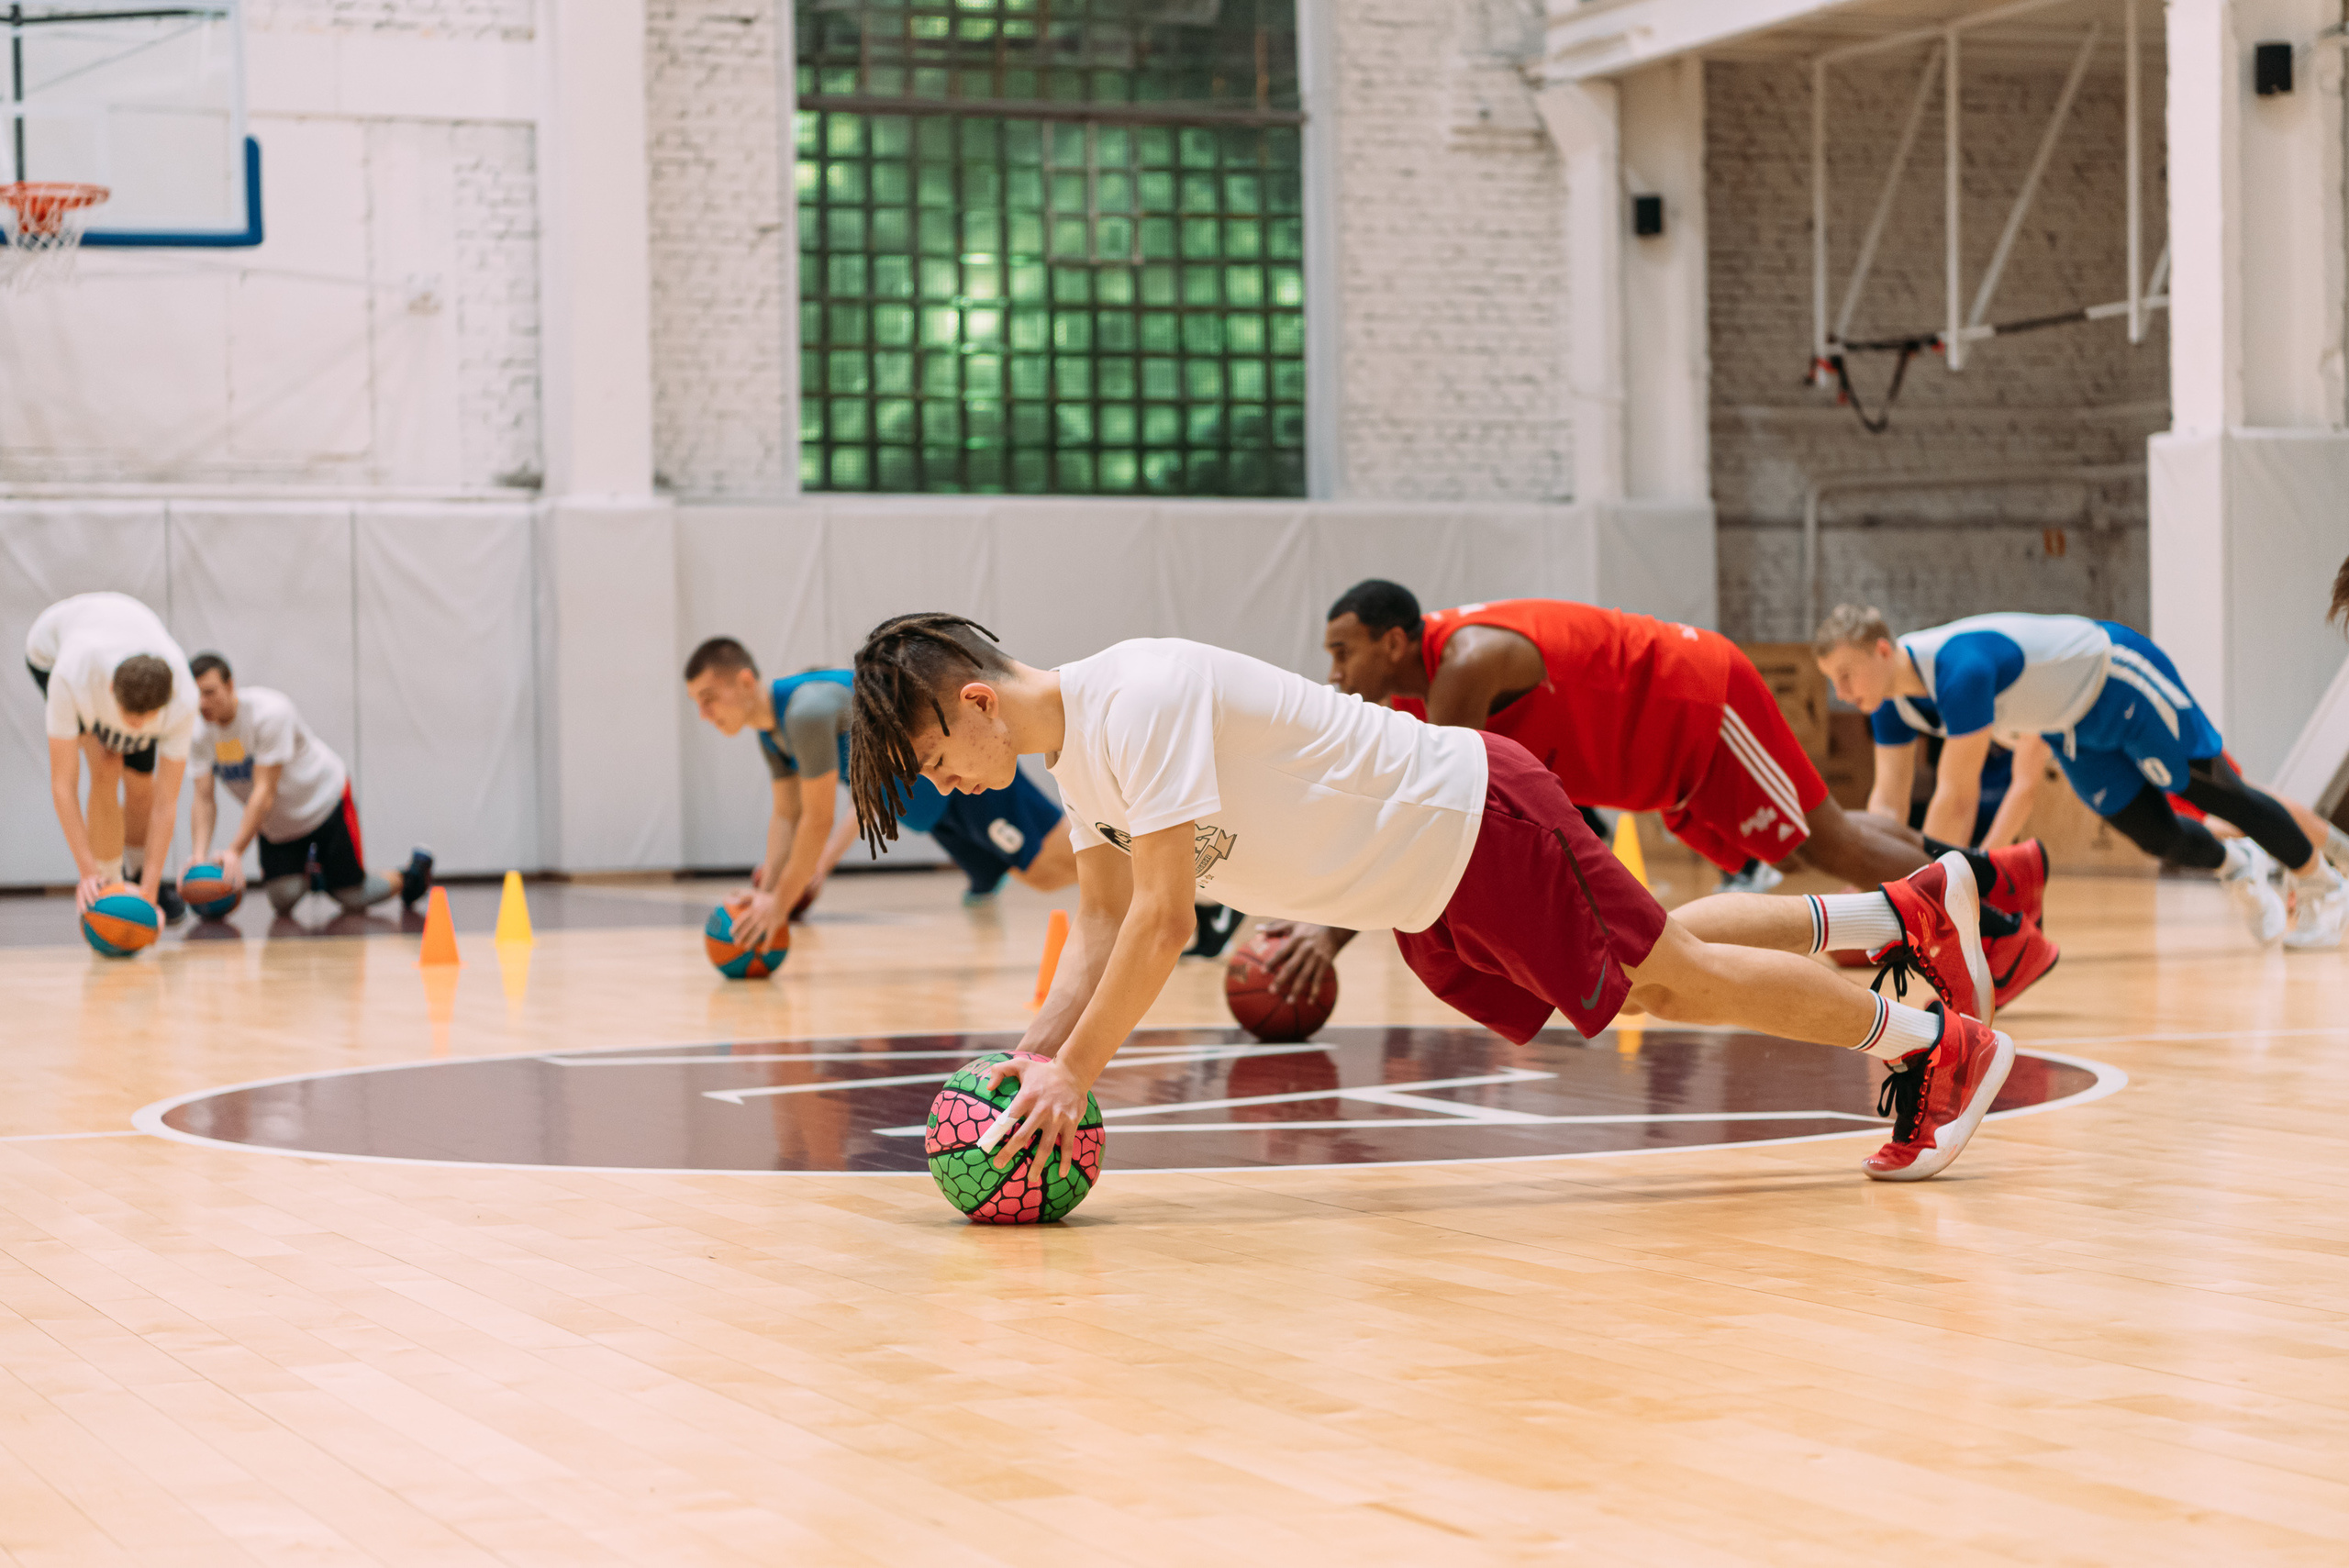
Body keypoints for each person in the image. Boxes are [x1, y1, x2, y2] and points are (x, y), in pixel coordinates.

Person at [846, 614, 2020, 1184]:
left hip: (1468, 820)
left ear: (972, 699)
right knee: (1651, 954)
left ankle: (1933, 1043)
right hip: (1426, 890)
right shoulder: (1078, 769)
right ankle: (1895, 918)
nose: (942, 783)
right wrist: (1030, 1050)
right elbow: (1102, 920)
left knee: (1666, 978)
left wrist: (1077, 1075)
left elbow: (1162, 924)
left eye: (932, 755)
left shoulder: (1132, 699)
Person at [1289, 582, 2054, 1008]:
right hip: (1664, 761)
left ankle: (1997, 932)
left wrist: (1327, 936)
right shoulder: (1418, 700)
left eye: (1342, 651)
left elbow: (1424, 823)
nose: (1333, 671)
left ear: (1392, 643)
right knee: (1821, 833)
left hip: (1695, 703)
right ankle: (1999, 879)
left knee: (1828, 842)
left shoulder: (1464, 664)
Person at [1816, 605, 2347, 951]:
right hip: (2069, 725)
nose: (1841, 692)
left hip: (2117, 677)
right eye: (1831, 682)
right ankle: (2237, 866)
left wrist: (1924, 900)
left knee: (2215, 793)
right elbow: (1886, 802)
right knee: (2155, 835)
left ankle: (2326, 883)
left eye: (1845, 675)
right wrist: (1874, 877)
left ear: (1882, 651)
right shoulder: (1889, 701)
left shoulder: (1959, 670)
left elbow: (1956, 798)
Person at [683, 637, 1074, 951]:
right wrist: (765, 893)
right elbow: (787, 815)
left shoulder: (804, 714)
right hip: (931, 812)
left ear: (746, 682)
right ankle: (993, 877)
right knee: (1039, 875)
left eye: (709, 698)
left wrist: (779, 906)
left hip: (959, 774)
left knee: (1048, 867)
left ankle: (1124, 864)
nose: (704, 713)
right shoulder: (772, 737)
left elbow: (816, 820)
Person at [187, 654, 428, 917]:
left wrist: (234, 852)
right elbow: (203, 799)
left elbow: (264, 792)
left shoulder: (269, 714)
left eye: (209, 693)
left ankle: (412, 874)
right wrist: (198, 857)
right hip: (278, 824)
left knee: (352, 896)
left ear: (231, 685)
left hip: (322, 803)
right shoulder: (197, 731)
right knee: (283, 899)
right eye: (196, 694)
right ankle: (317, 869)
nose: (203, 703)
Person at [26, 592, 195, 921]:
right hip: (48, 651)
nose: (135, 727)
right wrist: (87, 874)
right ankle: (108, 883)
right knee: (106, 765)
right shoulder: (71, 678)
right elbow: (63, 785)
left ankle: (138, 874)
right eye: (129, 717)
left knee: (142, 786)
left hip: (125, 631)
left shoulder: (182, 700)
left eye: (144, 720)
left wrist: (148, 892)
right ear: (110, 692)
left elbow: (166, 802)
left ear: (163, 704)